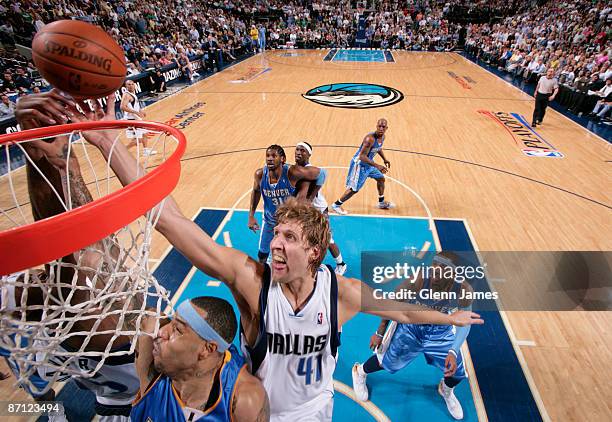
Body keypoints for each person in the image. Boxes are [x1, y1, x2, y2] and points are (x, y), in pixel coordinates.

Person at [32, 93, 483, 421]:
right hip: (252, 410)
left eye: (289, 236)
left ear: (315, 251)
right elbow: (170, 221)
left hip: (315, 410)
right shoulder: (252, 279)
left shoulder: (341, 292)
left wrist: (453, 320)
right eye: (277, 233)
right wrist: (107, 142)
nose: (277, 243)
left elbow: (402, 309)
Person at [9, 91, 145, 421]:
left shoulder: (64, 307)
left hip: (100, 382)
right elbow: (69, 262)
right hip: (113, 386)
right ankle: (50, 410)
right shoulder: (112, 322)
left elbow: (68, 257)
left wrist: (48, 159)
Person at [352, 252, 476, 420]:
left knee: (457, 373)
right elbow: (392, 304)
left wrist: (454, 351)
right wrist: (379, 332)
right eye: (434, 265)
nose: (435, 271)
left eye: (442, 269)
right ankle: (360, 371)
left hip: (440, 333)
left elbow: (465, 321)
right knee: (386, 362)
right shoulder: (418, 279)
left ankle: (445, 390)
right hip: (412, 328)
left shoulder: (463, 289)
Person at [131, 296, 269, 421]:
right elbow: (128, 311)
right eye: (171, 323)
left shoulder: (244, 401)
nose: (161, 332)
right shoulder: (150, 352)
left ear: (207, 349)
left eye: (177, 329)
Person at [248, 144, 323, 263]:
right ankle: (265, 279)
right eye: (267, 156)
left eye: (274, 155)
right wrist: (251, 216)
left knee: (289, 256)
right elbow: (256, 192)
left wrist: (310, 197)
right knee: (262, 255)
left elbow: (322, 174)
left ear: (282, 159)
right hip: (270, 221)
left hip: (288, 223)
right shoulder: (260, 175)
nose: (270, 158)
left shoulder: (292, 173)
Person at [294, 141, 347, 275]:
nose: (299, 153)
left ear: (309, 154)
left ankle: (341, 264)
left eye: (302, 151)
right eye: (297, 150)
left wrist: (310, 198)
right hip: (306, 210)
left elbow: (324, 173)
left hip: (318, 209)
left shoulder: (311, 170)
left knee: (327, 239)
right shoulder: (295, 169)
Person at [332, 119, 392, 215]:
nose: (381, 128)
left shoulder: (383, 137)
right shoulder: (370, 139)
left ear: (386, 128)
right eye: (379, 126)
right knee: (354, 189)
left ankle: (381, 202)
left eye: (383, 127)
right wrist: (378, 165)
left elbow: (378, 148)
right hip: (360, 165)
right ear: (376, 126)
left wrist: (385, 159)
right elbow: (362, 156)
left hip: (369, 164)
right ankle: (336, 205)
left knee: (381, 178)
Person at [120, 79, 154, 156]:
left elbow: (134, 106)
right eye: (129, 84)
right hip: (131, 119)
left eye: (132, 84)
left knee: (145, 133)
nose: (131, 86)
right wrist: (136, 112)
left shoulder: (132, 93)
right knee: (138, 139)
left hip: (135, 118)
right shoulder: (126, 95)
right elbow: (122, 107)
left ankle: (145, 151)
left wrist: (140, 111)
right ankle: (122, 151)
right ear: (126, 86)